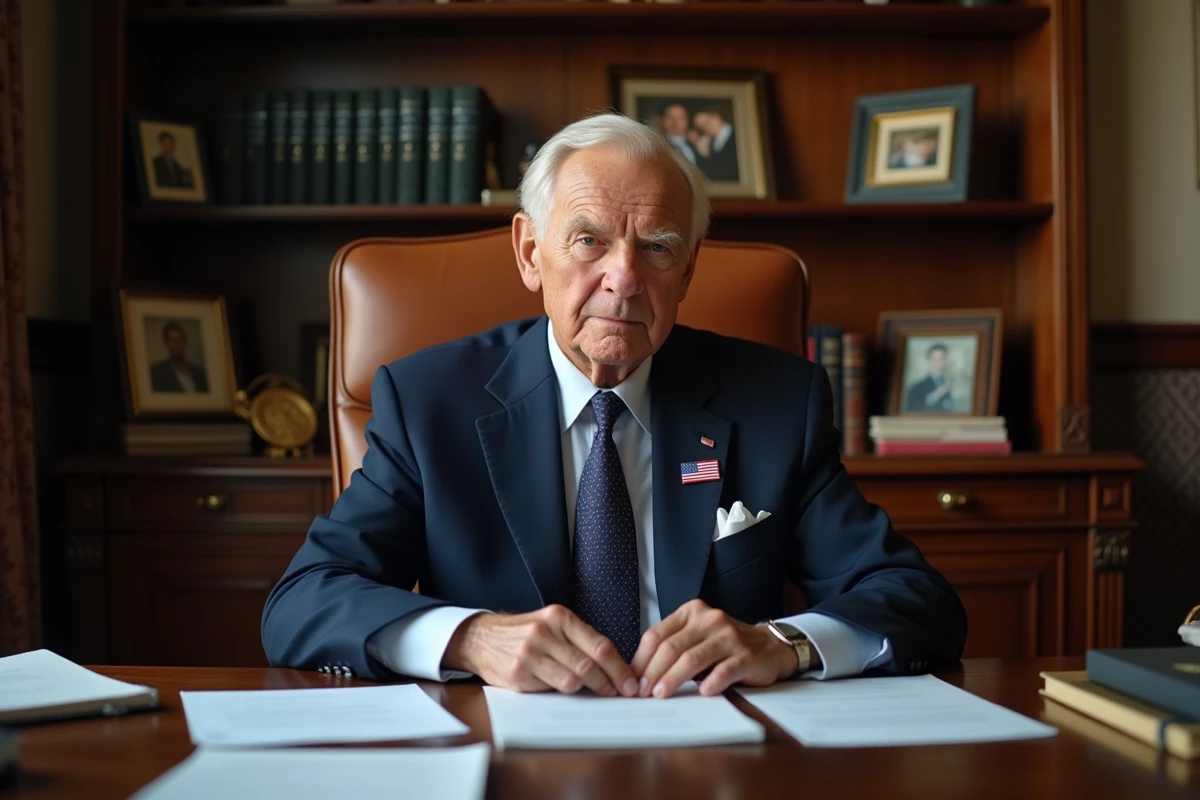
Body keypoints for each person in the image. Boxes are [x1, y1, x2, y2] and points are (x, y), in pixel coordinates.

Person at [262, 113, 966, 698]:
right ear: (530, 253)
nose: (623, 280)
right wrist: (472, 638)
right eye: (589, 241)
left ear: (688, 269)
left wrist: (783, 643)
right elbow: (304, 600)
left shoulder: (777, 401)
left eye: (657, 247)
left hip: (718, 753)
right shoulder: (428, 403)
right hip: (505, 753)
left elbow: (915, 598)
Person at [149, 321, 208, 393]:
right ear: (166, 343)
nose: (177, 344)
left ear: (184, 342)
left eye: (179, 340)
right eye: (173, 340)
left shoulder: (200, 373)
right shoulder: (156, 373)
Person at [904, 343, 957, 413]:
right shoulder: (918, 387)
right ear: (929, 360)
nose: (937, 362)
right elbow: (914, 408)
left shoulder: (946, 383)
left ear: (945, 361)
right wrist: (937, 394)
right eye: (934, 359)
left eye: (940, 359)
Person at [692, 110, 738, 182]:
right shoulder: (711, 142)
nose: (706, 128)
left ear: (717, 117)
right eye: (701, 127)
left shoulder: (739, 135)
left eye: (706, 122)